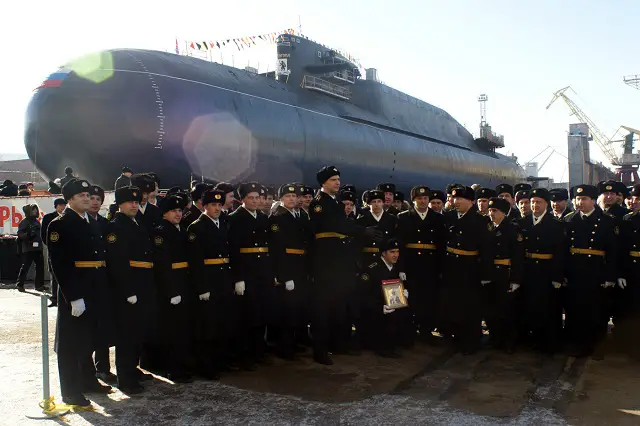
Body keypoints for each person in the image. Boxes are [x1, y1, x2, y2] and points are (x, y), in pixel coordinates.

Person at [309, 166, 382, 365]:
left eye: (338, 179)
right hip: (326, 263)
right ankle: (320, 350)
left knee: (338, 307)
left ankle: (336, 344)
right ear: (323, 183)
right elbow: (336, 226)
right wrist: (362, 231)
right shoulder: (319, 203)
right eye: (333, 180)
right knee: (323, 309)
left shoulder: (333, 203)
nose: (337, 183)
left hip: (338, 263)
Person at [48, 179, 111, 406]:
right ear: (70, 199)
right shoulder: (60, 224)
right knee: (70, 343)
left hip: (95, 288)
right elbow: (59, 264)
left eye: (88, 194)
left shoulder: (90, 222)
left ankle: (88, 381)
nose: (87, 198)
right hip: (77, 291)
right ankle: (71, 391)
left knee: (88, 339)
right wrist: (73, 296)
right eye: (81, 195)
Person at [105, 186, 156, 394]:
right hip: (130, 285)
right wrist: (128, 290)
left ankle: (133, 369)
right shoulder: (116, 226)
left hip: (143, 282)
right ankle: (125, 378)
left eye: (136, 202)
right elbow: (117, 262)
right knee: (126, 335)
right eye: (130, 202)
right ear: (119, 204)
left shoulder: (136, 222)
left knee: (137, 331)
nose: (134, 205)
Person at [564, 185, 618, 358]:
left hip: (596, 271)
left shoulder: (607, 220)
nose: (580, 202)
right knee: (575, 310)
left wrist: (610, 275)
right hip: (575, 271)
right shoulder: (570, 219)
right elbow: (563, 250)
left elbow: (613, 251)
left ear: (593, 201)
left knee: (596, 311)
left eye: (584, 199)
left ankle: (596, 346)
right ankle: (576, 344)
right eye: (578, 199)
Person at [187, 189, 237, 377]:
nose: (217, 208)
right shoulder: (197, 227)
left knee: (223, 323)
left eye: (219, 205)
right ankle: (207, 366)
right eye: (212, 205)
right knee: (208, 325)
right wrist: (202, 287)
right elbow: (196, 260)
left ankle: (221, 361)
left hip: (223, 278)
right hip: (209, 280)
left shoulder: (223, 224)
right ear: (204, 206)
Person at [439, 186, 493, 354]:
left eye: (461, 199)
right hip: (451, 267)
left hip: (470, 269)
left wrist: (485, 274)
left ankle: (470, 341)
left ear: (471, 201)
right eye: (455, 199)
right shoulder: (448, 217)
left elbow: (487, 250)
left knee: (470, 307)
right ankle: (454, 337)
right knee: (452, 305)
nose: (457, 202)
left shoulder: (481, 221)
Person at [228, 182, 273, 368]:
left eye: (257, 198)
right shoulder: (234, 218)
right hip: (246, 272)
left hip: (262, 272)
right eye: (251, 198)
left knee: (261, 313)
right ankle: (245, 355)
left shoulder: (263, 218)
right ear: (243, 199)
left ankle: (258, 351)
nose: (255, 201)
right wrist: (238, 278)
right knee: (246, 315)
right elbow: (233, 250)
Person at [517, 188, 565, 354]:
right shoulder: (522, 223)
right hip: (529, 270)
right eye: (532, 202)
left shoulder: (556, 224)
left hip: (547, 271)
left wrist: (557, 276)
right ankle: (534, 339)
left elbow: (560, 253)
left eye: (538, 202)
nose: (535, 205)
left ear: (546, 204)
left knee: (549, 308)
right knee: (530, 306)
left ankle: (550, 342)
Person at [150, 194, 192, 382]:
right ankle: (172, 368)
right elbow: (163, 265)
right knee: (172, 330)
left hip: (184, 282)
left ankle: (183, 365)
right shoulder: (160, 232)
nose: (178, 214)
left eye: (180, 210)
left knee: (183, 328)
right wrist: (171, 291)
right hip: (172, 285)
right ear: (164, 213)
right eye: (173, 211)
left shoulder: (182, 230)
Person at [396, 185, 446, 344]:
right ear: (413, 200)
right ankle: (408, 331)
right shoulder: (403, 217)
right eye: (419, 199)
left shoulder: (437, 218)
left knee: (428, 299)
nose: (423, 201)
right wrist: (401, 267)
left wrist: (440, 268)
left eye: (425, 198)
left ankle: (426, 330)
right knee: (410, 298)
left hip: (430, 265)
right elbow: (400, 244)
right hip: (411, 264)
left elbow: (441, 245)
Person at [268, 184, 309, 360]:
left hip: (300, 267)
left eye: (295, 196)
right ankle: (283, 347)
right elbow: (277, 249)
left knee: (296, 309)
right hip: (289, 269)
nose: (292, 199)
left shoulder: (300, 216)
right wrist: (285, 276)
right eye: (288, 196)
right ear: (281, 198)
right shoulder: (278, 218)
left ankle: (293, 343)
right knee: (286, 310)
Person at [357, 238, 409, 358]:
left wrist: (403, 293)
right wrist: (379, 307)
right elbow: (363, 295)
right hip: (374, 309)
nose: (396, 255)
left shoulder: (395, 268)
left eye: (397, 251)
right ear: (383, 253)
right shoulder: (372, 269)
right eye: (392, 252)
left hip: (392, 306)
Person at [486, 197, 524, 353]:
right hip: (492, 273)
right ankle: (495, 339)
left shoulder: (513, 229)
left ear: (504, 212)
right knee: (491, 310)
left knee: (507, 311)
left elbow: (518, 257)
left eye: (495, 211)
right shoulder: (488, 228)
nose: (491, 214)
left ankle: (509, 342)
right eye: (489, 210)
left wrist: (516, 279)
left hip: (506, 274)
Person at [356, 189, 397, 264]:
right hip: (367, 260)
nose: (376, 204)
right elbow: (357, 244)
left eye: (379, 201)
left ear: (383, 203)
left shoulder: (392, 219)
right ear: (369, 204)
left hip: (386, 260)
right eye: (373, 202)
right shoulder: (361, 220)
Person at [41, 198, 67, 306]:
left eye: (64, 205)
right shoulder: (48, 218)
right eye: (60, 205)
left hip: (67, 250)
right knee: (54, 273)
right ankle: (54, 298)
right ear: (56, 206)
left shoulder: (68, 217)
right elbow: (44, 234)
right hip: (54, 249)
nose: (63, 207)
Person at [16, 204, 45, 292]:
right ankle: (20, 284)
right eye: (33, 210)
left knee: (40, 266)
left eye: (36, 209)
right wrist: (28, 234)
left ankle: (39, 285)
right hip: (29, 248)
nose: (35, 211)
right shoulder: (24, 222)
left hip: (38, 247)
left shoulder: (36, 221)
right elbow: (20, 233)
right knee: (26, 267)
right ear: (29, 211)